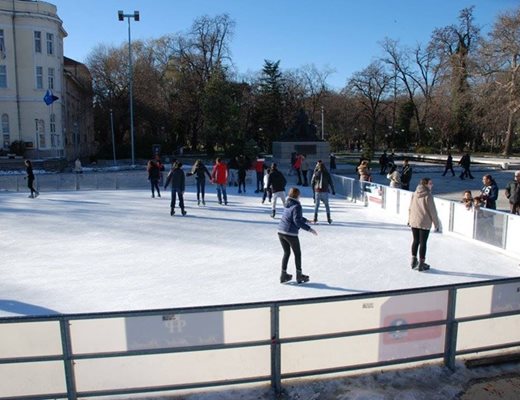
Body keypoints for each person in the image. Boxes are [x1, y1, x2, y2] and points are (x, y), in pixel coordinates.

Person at [277, 187, 317, 284]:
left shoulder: (287, 203)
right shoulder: (297, 206)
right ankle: (299, 276)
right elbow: (297, 221)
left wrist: (306, 220)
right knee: (297, 254)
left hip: (280, 232)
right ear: (297, 195)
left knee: (286, 253)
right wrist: (309, 229)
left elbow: (295, 217)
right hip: (290, 233)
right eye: (299, 194)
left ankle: (283, 275)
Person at [408, 178, 440, 271]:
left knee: (415, 240)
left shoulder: (414, 193)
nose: (432, 185)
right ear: (425, 184)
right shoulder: (428, 195)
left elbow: (410, 207)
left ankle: (413, 261)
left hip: (414, 220)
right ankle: (421, 264)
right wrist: (436, 224)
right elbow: (432, 211)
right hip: (424, 221)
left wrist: (409, 219)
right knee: (423, 242)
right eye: (430, 183)